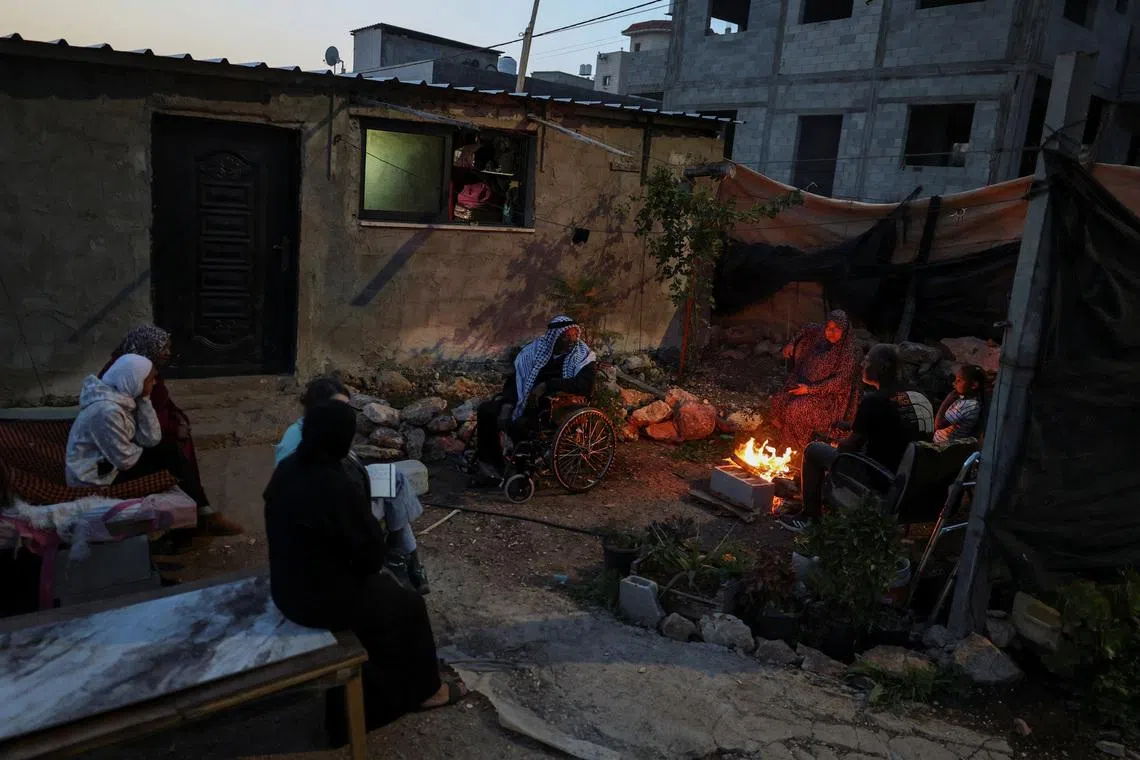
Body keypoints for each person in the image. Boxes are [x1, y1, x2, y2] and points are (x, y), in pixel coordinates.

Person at [264, 401, 465, 728]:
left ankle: (410, 671)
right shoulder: (335, 485)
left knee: (386, 597)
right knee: (409, 605)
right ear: (343, 440)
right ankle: (429, 690)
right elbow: (371, 557)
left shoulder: (287, 469)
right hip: (315, 601)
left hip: (285, 588)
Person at [275, 377, 429, 593]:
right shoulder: (298, 445)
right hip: (327, 508)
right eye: (338, 408)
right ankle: (405, 557)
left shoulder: (325, 430)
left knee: (396, 477)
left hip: (345, 487)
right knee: (392, 495)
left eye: (346, 408)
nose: (346, 415)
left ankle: (405, 557)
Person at [100, 325, 242, 536]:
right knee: (171, 455)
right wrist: (170, 431)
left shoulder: (143, 374)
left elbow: (154, 419)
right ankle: (196, 519)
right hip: (110, 467)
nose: (168, 353)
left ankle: (201, 513)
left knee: (171, 452)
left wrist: (170, 418)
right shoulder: (116, 394)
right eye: (162, 348)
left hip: (133, 443)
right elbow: (124, 447)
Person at [780, 343, 921, 532]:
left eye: (868, 360)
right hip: (910, 479)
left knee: (814, 450)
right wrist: (851, 427)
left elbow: (849, 448)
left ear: (883, 366)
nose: (862, 364)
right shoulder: (917, 396)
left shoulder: (874, 401)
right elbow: (893, 428)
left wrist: (833, 443)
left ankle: (809, 517)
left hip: (879, 478)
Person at [65, 354, 210, 509]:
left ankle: (200, 508)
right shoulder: (107, 411)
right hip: (94, 478)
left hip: (112, 464)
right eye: (149, 379)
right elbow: (125, 460)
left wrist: (145, 399)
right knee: (167, 466)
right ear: (135, 380)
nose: (154, 383)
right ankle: (198, 511)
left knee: (169, 452)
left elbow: (151, 439)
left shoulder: (124, 398)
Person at [473, 315, 597, 484]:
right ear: (555, 338)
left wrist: (547, 385)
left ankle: (523, 473)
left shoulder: (583, 357)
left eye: (575, 335)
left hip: (554, 405)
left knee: (522, 424)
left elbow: (583, 386)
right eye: (567, 336)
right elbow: (517, 378)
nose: (572, 340)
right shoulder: (535, 351)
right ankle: (492, 468)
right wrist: (508, 403)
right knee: (487, 411)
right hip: (522, 398)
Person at [770, 310, 862, 452]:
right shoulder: (821, 336)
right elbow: (806, 328)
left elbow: (839, 383)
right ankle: (789, 445)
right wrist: (792, 343)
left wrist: (809, 389)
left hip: (831, 401)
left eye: (836, 329)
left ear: (844, 331)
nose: (831, 332)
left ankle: (805, 449)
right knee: (779, 400)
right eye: (828, 328)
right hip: (807, 388)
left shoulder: (850, 352)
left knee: (796, 409)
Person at [933, 364, 986, 444]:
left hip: (944, 447)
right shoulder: (963, 398)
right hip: (940, 442)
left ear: (973, 385)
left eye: (959, 380)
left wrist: (947, 401)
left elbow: (938, 425)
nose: (954, 383)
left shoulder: (969, 406)